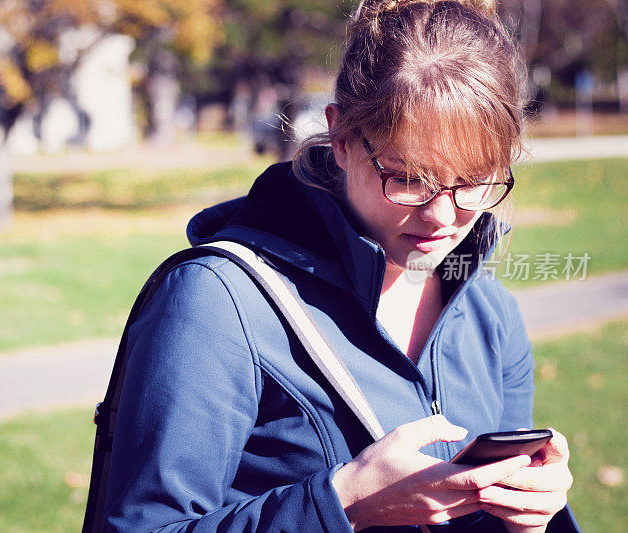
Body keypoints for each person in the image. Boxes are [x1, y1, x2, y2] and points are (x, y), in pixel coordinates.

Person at [99, 0, 577, 531]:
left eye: (473, 181)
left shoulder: (488, 308)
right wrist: (342, 502)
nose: (445, 217)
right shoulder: (216, 301)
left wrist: (532, 514)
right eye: (410, 177)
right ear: (343, 139)